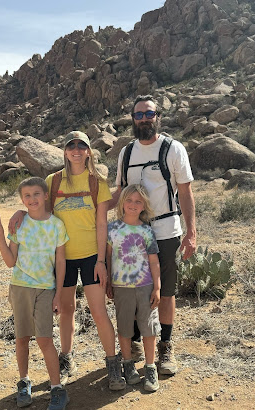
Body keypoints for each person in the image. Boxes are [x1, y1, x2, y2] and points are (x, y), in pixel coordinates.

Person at [8, 131, 126, 390]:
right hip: (61, 258)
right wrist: (20, 210)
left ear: (88, 151)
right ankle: (67, 357)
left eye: (81, 145)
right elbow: (40, 208)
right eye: (70, 145)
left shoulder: (97, 182)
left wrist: (100, 261)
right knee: (66, 309)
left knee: (98, 311)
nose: (75, 149)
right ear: (64, 151)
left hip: (90, 257)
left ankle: (112, 362)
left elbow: (101, 224)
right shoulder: (53, 181)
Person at [110, 95, 197, 375]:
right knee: (134, 287)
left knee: (166, 291)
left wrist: (191, 233)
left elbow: (185, 191)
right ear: (132, 119)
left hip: (165, 230)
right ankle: (135, 342)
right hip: (132, 234)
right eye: (138, 115)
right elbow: (119, 191)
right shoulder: (127, 153)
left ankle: (165, 346)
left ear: (158, 116)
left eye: (149, 114)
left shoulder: (173, 149)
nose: (144, 119)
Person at [0, 176, 69, 409]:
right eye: (27, 196)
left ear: (46, 196)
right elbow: (10, 261)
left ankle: (57, 389)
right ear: (22, 200)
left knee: (45, 339)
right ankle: (24, 382)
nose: (32, 199)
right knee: (22, 338)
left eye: (36, 194)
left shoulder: (56, 225)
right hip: (20, 286)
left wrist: (58, 293)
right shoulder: (19, 225)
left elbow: (61, 261)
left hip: (45, 288)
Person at [106, 184, 161, 392]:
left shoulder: (146, 230)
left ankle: (150, 367)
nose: (133, 205)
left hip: (145, 286)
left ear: (144, 205)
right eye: (129, 200)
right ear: (122, 203)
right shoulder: (112, 229)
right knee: (125, 327)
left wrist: (157, 287)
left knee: (148, 328)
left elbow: (154, 261)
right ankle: (128, 365)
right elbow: (108, 257)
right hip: (121, 287)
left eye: (138, 201)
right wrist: (109, 282)